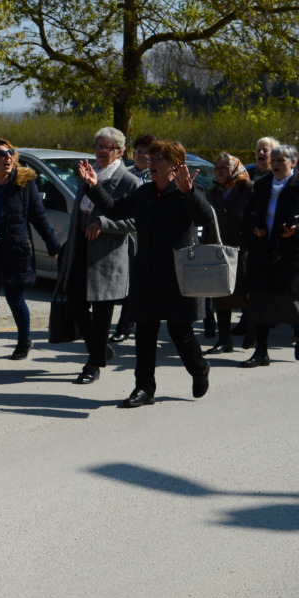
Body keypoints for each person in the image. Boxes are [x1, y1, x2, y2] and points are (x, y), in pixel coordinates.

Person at [81, 140, 213, 408]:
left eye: (158, 159)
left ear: (175, 165)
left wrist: (188, 193)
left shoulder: (188, 190)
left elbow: (204, 218)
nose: (151, 163)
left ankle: (199, 369)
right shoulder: (144, 193)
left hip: (177, 274)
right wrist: (94, 186)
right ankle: (144, 388)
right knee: (145, 333)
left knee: (180, 332)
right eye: (150, 159)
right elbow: (115, 210)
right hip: (147, 273)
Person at [0, 138, 61, 372]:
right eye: (1, 154)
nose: (7, 158)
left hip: (16, 250)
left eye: (10, 153)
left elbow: (38, 216)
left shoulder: (24, 183)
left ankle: (24, 340)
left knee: (16, 300)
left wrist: (53, 245)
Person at [55, 127, 140, 385]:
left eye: (108, 147)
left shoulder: (129, 181)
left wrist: (105, 223)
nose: (102, 151)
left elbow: (135, 221)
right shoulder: (88, 174)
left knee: (103, 312)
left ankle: (93, 364)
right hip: (80, 249)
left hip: (107, 255)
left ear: (120, 152)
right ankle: (101, 349)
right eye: (99, 146)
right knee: (75, 304)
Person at [239, 144, 299, 367]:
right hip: (263, 249)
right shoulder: (262, 184)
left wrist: (298, 231)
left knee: (288, 300)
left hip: (291, 253)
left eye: (281, 161)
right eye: (274, 160)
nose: (276, 165)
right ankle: (261, 352)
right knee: (259, 299)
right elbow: (248, 213)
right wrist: (254, 227)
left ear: (293, 163)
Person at [203, 153, 253, 354]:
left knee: (246, 296)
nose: (221, 172)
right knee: (221, 296)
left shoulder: (248, 189)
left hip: (243, 250)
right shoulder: (212, 192)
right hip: (219, 251)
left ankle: (252, 332)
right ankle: (224, 340)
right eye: (217, 168)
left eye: (225, 167)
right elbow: (207, 221)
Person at [111, 133, 155, 343]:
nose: (143, 156)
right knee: (132, 281)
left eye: (148, 153)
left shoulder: (158, 178)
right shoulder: (126, 175)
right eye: (139, 152)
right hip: (130, 235)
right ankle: (124, 325)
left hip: (152, 236)